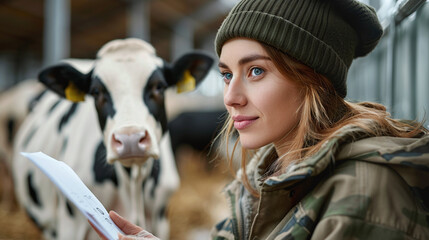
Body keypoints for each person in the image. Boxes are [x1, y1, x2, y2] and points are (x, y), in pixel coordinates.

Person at [92, 0, 429, 239]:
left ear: (313, 78)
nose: (230, 97)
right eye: (226, 74)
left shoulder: (366, 195)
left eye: (255, 71)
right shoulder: (266, 176)